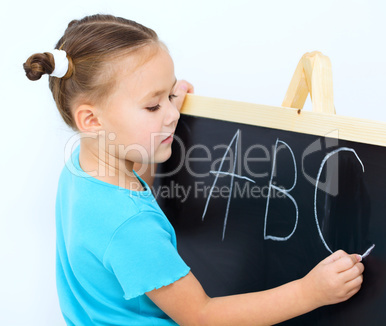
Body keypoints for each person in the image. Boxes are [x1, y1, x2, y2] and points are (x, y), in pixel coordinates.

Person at [23, 14, 364, 326]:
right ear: (92, 119)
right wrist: (310, 292)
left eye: (170, 94)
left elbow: (138, 184)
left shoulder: (81, 170)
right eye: (153, 104)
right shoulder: (131, 226)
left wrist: (163, 105)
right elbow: (201, 315)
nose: (172, 113)